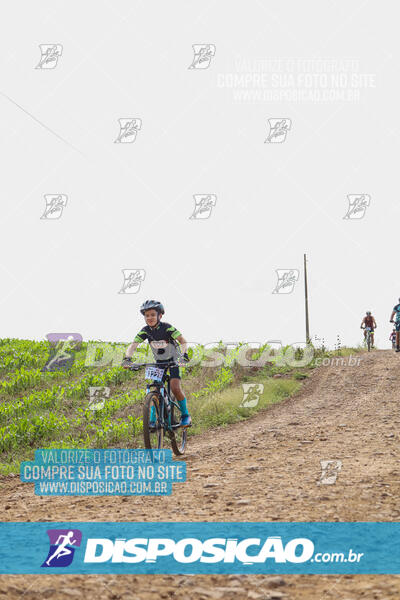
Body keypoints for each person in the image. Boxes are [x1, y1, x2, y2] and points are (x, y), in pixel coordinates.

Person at [122, 300, 192, 428]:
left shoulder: (167, 327)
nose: (150, 318)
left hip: (173, 361)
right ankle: (153, 421)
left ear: (160, 316)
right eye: (147, 315)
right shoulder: (145, 331)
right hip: (159, 363)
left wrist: (184, 356)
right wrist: (127, 358)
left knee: (175, 388)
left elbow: (182, 341)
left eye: (153, 315)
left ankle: (185, 415)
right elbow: (133, 345)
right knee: (156, 389)